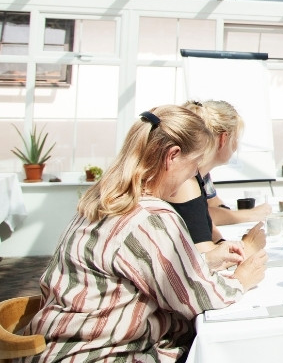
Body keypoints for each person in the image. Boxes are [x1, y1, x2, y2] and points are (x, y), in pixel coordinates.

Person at [19, 105, 268, 363]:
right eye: (194, 164)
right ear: (172, 156)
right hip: (100, 354)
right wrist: (242, 278)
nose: (195, 174)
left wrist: (206, 261)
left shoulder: (104, 199)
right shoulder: (151, 216)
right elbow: (201, 298)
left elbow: (138, 268)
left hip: (60, 347)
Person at [167, 100, 266, 264]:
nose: (237, 146)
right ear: (223, 139)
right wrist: (249, 247)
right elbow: (204, 257)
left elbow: (210, 232)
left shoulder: (196, 178)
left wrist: (229, 245)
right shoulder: (187, 183)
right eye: (236, 138)